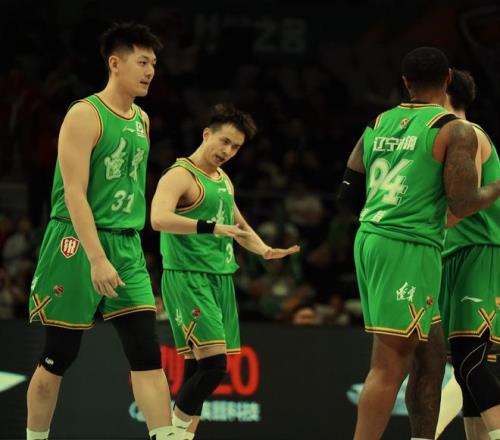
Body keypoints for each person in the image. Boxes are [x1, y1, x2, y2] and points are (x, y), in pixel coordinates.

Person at [337, 47, 500, 440]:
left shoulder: (377, 123)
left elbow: (347, 194)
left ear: (405, 81)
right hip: (408, 245)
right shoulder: (454, 129)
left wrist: (384, 216)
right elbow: (463, 204)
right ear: (447, 78)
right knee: (389, 365)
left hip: (373, 238)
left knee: (432, 355)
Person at [27, 22, 177, 440]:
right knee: (59, 354)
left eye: (154, 63)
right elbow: (73, 193)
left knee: (146, 353)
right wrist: (96, 258)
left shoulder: (142, 119)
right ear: (115, 63)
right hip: (76, 242)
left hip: (126, 244)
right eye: (142, 62)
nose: (151, 71)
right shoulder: (84, 114)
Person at [151, 103, 300, 439]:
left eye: (236, 147)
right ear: (207, 134)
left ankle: (181, 436)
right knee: (215, 367)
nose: (228, 151)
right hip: (188, 277)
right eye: (225, 142)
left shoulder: (223, 179)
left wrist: (264, 250)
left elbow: (238, 224)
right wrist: (211, 227)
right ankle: (169, 435)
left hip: (220, 278)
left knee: (196, 369)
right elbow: (158, 218)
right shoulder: (180, 174)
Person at [437, 68, 500, 440]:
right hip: (457, 254)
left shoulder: (468, 133)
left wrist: (417, 227)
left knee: (470, 360)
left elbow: (466, 202)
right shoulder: (451, 137)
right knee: (465, 369)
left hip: (479, 252)